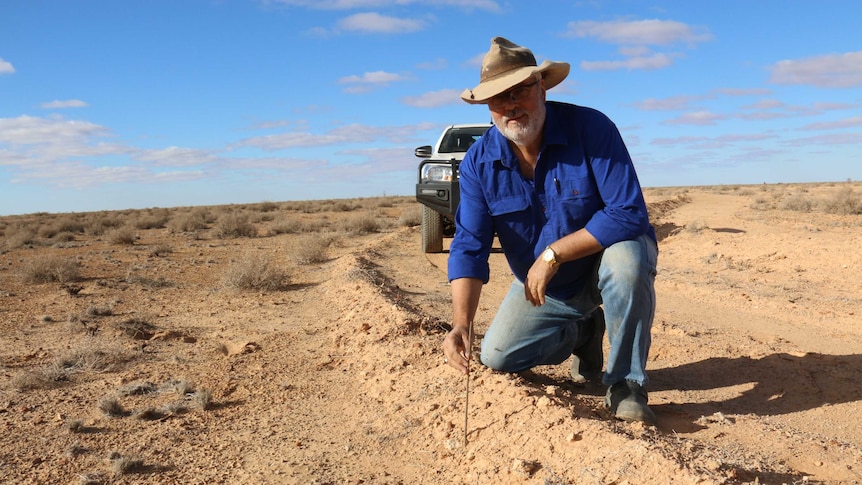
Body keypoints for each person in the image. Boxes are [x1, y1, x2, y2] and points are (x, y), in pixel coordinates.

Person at [441, 37, 659, 425]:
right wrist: (461, 322)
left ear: (541, 87)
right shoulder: (478, 163)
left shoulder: (591, 127)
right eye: (497, 98)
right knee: (498, 357)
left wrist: (552, 254)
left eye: (520, 90)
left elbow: (628, 213)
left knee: (628, 259)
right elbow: (469, 246)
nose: (510, 105)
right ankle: (583, 332)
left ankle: (626, 383)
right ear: (487, 106)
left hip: (601, 262)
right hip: (551, 287)